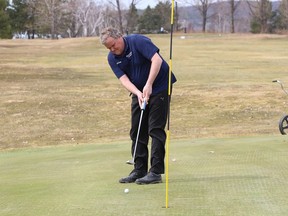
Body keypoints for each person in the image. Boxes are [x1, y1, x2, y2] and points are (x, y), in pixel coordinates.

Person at [100, 27, 176, 184]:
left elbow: (157, 60)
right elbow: (124, 80)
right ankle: (139, 169)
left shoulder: (138, 41)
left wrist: (149, 84)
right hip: (139, 90)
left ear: (119, 37)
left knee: (155, 129)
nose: (113, 50)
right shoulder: (112, 58)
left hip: (161, 85)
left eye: (114, 45)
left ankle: (155, 172)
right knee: (137, 129)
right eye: (109, 48)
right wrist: (137, 93)